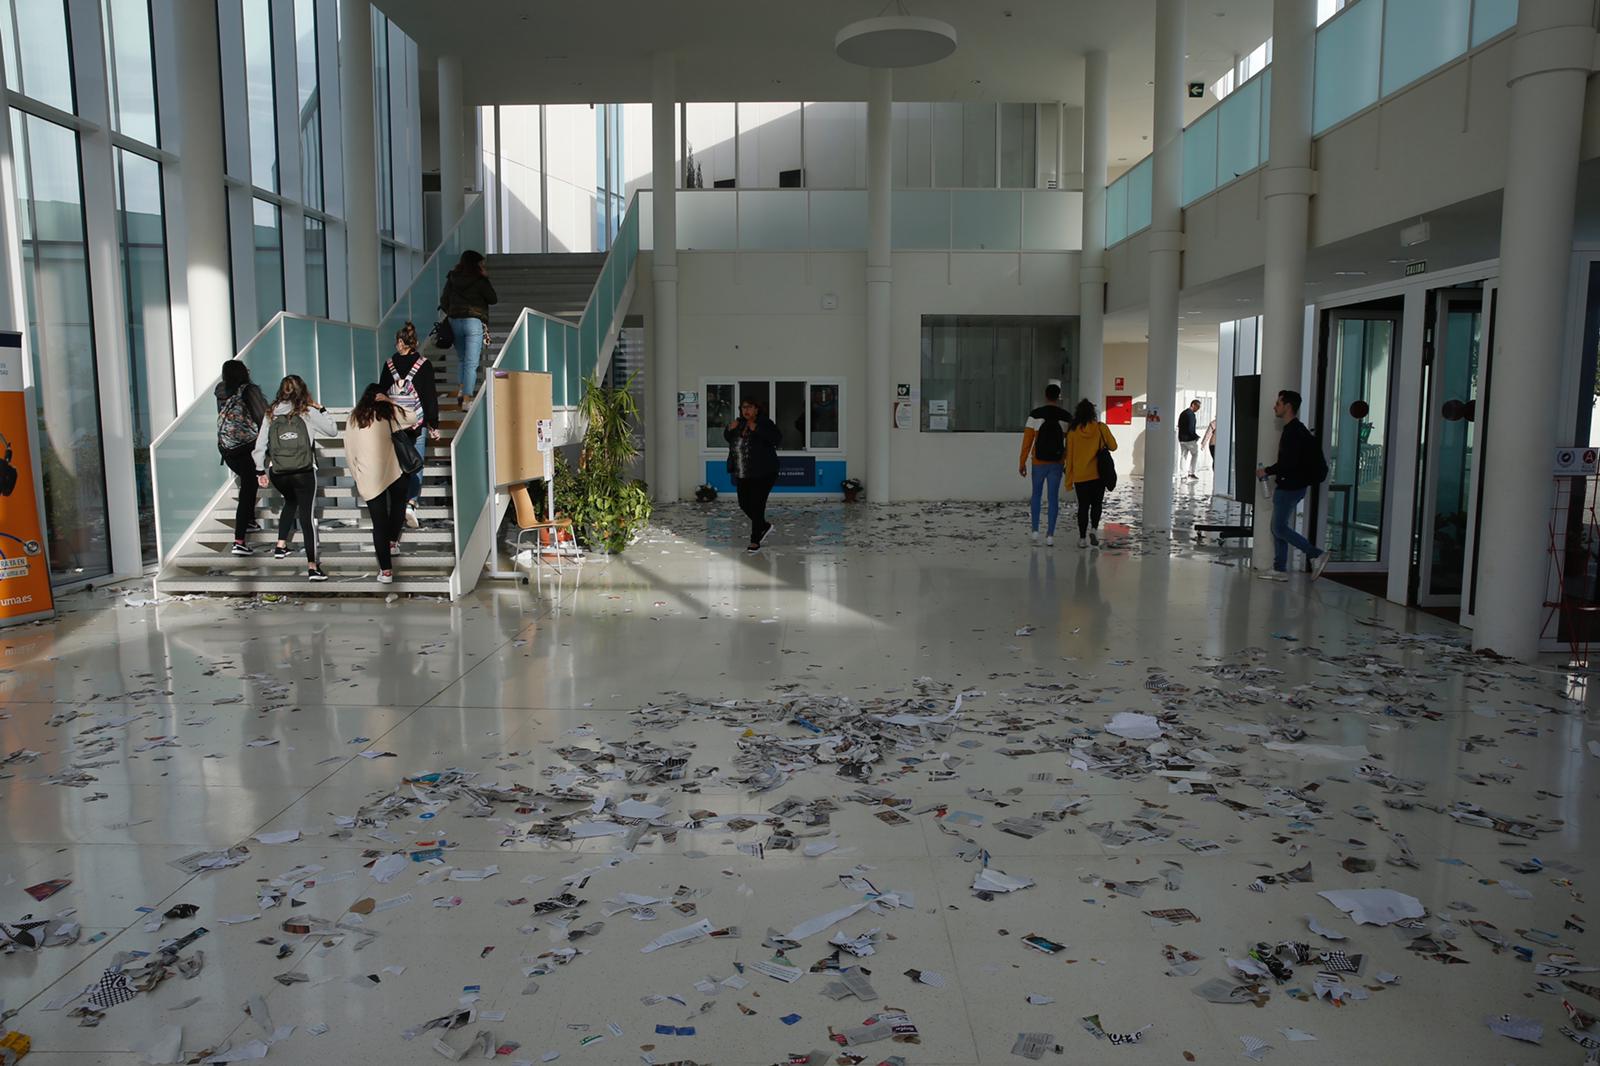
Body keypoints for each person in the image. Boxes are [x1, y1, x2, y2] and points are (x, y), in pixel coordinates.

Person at [252, 374, 337, 581]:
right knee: (307, 517)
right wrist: (322, 409)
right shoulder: (307, 411)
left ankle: (280, 545)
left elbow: (260, 444)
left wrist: (259, 470)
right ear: (303, 391)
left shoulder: (270, 413)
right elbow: (332, 431)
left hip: (278, 473)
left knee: (290, 501)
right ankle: (312, 567)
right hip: (303, 471)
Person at [344, 383, 421, 584]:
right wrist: (391, 401)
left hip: (368, 476)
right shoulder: (389, 413)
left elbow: (349, 450)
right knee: (397, 507)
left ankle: (386, 572)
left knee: (379, 524)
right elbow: (413, 416)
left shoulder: (354, 417)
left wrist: (356, 475)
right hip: (395, 471)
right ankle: (393, 542)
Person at [1256, 389, 1330, 581]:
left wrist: (1267, 471)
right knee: (1279, 527)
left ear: (1288, 406)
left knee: (1279, 528)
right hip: (1294, 485)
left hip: (1290, 486)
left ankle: (1315, 554)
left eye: (1278, 403)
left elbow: (1288, 464)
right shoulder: (1296, 430)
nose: (1275, 406)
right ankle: (1280, 569)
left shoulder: (1293, 432)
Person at [377, 321, 441, 529]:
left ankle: (395, 505)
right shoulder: (424, 365)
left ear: (401, 342)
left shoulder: (389, 365)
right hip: (417, 424)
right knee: (416, 463)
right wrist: (433, 424)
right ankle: (411, 503)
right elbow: (430, 397)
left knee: (396, 464)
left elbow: (380, 394)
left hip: (394, 424)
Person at [214, 359, 269, 556]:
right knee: (249, 489)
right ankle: (239, 541)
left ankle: (250, 520)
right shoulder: (248, 390)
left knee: (248, 484)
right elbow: (263, 417)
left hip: (227, 450)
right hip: (247, 448)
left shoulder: (222, 392)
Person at [438, 249, 497, 407]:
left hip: (454, 321)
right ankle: (466, 399)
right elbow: (493, 299)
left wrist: (452, 311)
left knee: (463, 360)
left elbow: (444, 300)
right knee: (471, 363)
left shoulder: (452, 278)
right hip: (473, 322)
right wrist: (486, 278)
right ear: (476, 263)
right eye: (481, 263)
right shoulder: (479, 279)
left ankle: (462, 388)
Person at [1018, 383, 1073, 546]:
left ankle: (1035, 532)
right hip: (1056, 463)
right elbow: (1070, 443)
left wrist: (1022, 462)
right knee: (1053, 498)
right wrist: (1066, 462)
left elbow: (1027, 441)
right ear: (1059, 397)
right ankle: (1050, 535)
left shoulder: (1035, 415)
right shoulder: (1066, 417)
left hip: (1038, 462)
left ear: (1045, 396)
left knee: (1036, 495)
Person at [724, 397, 781, 553]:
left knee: (757, 505)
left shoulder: (764, 423)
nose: (746, 410)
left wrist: (757, 429)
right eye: (743, 407)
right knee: (744, 503)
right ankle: (764, 526)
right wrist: (729, 428)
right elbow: (729, 439)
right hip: (743, 471)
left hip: (764, 472)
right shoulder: (739, 423)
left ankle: (755, 540)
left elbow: (777, 439)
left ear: (756, 409)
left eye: (749, 407)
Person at [1064, 398, 1118, 548]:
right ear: (1093, 413)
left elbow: (1069, 457)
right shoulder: (1101, 428)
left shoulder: (1073, 432)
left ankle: (1082, 539)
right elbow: (1114, 446)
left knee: (1083, 507)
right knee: (1096, 504)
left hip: (1080, 476)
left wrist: (1068, 481)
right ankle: (1094, 529)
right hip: (1098, 475)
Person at [1178, 399, 1202, 479]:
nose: (1197, 409)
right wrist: (1195, 437)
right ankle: (1191, 472)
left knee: (1183, 456)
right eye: (1197, 407)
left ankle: (1183, 474)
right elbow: (1191, 428)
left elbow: (1179, 425)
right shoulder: (1191, 415)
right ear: (1193, 405)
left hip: (1181, 438)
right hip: (1189, 439)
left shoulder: (1183, 413)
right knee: (1195, 454)